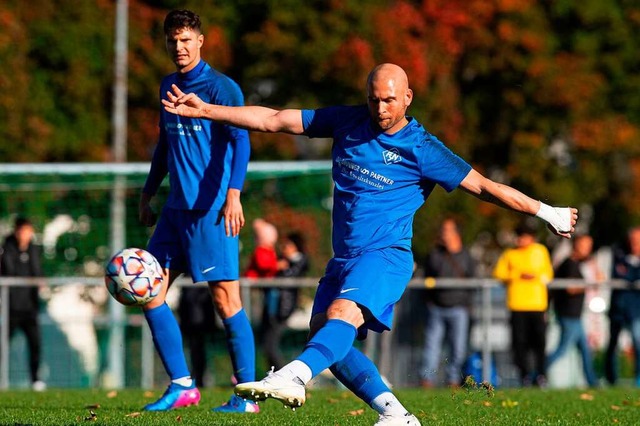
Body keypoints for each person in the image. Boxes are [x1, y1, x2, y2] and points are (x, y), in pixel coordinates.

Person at [162, 63, 577, 425]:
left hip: (386, 256)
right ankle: (396, 413)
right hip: (344, 258)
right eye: (374, 99)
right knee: (328, 336)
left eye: (390, 101)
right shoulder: (347, 120)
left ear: (408, 97)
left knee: (341, 317)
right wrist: (208, 110)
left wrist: (547, 212)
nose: (381, 109)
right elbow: (274, 119)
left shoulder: (422, 147)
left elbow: (485, 187)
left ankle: (294, 376)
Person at [137, 9, 258, 413]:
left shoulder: (223, 88)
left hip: (212, 211)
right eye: (173, 40)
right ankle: (182, 385)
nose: (179, 47)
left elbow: (242, 143)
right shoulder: (167, 85)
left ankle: (247, 396)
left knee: (226, 302)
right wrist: (148, 193)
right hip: (175, 211)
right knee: (149, 292)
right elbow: (163, 146)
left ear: (201, 41)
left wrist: (234, 194)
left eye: (186, 39)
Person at [493, 220, 553, 387]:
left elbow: (547, 274)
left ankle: (541, 374)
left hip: (537, 304)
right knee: (520, 343)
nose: (520, 240)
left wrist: (534, 276)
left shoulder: (540, 251)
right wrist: (518, 275)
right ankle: (524, 375)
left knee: (539, 342)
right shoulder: (510, 254)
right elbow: (499, 273)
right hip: (517, 304)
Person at [420, 217, 476, 388]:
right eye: (442, 230)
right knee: (431, 347)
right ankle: (427, 380)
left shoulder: (467, 256)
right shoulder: (435, 254)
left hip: (459, 308)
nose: (443, 234)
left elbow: (473, 280)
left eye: (447, 230)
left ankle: (453, 380)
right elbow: (429, 275)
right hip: (437, 307)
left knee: (458, 348)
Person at [546, 234, 600, 387]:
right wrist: (589, 284)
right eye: (585, 246)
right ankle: (538, 373)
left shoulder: (577, 264)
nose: (588, 249)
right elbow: (570, 288)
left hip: (575, 315)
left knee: (585, 351)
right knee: (562, 350)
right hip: (568, 314)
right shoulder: (569, 264)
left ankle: (592, 382)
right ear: (576, 245)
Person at [0, 217, 46, 391]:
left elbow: (38, 273)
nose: (24, 235)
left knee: (35, 344)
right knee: (2, 344)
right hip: (11, 308)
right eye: (21, 231)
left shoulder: (34, 250)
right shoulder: (6, 249)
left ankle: (36, 380)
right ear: (16, 231)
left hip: (30, 308)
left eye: (27, 231)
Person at [264, 232, 309, 369]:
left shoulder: (299, 261)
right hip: (273, 307)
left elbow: (291, 275)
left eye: (288, 245)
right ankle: (275, 373)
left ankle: (281, 373)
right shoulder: (281, 261)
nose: (284, 248)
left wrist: (280, 267)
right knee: (268, 343)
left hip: (285, 309)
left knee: (271, 344)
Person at [604, 226, 640, 387]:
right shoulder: (619, 255)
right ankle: (611, 379)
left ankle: (638, 379)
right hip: (618, 309)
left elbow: (629, 275)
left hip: (636, 310)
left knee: (638, 344)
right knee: (612, 346)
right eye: (633, 240)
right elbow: (621, 275)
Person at [177, 286, 217, 388]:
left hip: (198, 306)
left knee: (198, 345)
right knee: (193, 346)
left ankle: (197, 378)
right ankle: (188, 378)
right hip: (191, 305)